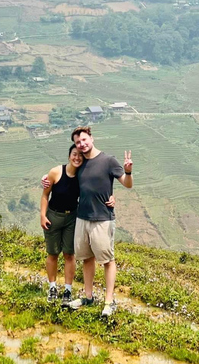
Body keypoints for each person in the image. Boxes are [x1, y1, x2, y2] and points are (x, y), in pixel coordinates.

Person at [44, 126, 133, 318]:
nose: (81, 144)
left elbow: (127, 183)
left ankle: (109, 301)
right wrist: (46, 179)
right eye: (77, 142)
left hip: (102, 218)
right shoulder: (81, 162)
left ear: (91, 138)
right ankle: (88, 296)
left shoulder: (108, 160)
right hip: (82, 218)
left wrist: (128, 172)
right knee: (86, 258)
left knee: (107, 260)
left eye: (84, 140)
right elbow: (66, 176)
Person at [40, 144, 83, 305]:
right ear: (69, 156)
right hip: (53, 215)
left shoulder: (83, 175)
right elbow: (45, 195)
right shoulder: (56, 172)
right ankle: (52, 287)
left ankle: (67, 290)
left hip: (72, 217)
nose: (77, 157)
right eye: (74, 154)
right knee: (52, 253)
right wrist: (43, 216)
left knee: (69, 254)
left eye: (80, 155)